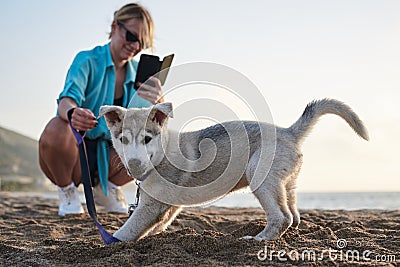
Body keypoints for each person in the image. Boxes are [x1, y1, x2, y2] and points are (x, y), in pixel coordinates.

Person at [39, 3, 163, 216]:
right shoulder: (87, 60)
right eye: (132, 37)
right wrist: (72, 113)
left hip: (112, 157)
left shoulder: (138, 75)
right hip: (77, 153)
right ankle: (67, 191)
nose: (135, 47)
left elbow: (149, 127)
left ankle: (108, 189)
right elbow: (66, 101)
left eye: (142, 43)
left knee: (158, 138)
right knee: (56, 128)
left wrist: (159, 101)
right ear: (115, 26)